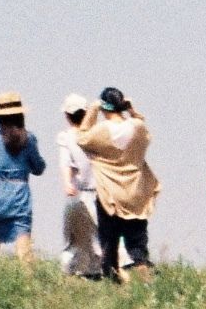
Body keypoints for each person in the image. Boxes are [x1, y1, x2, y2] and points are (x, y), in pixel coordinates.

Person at [75, 86, 160, 280]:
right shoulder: (137, 128)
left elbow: (82, 138)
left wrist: (92, 110)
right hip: (135, 193)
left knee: (109, 242)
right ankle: (143, 275)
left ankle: (113, 278)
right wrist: (132, 111)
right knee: (137, 243)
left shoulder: (102, 130)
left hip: (110, 194)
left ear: (104, 107)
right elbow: (145, 130)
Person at [0, 91, 46, 260]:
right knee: (24, 247)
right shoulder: (29, 139)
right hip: (20, 194)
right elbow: (38, 168)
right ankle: (27, 276)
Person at [56, 94, 103, 279]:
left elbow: (65, 163)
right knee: (100, 236)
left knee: (75, 238)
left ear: (67, 116)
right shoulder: (98, 134)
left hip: (79, 193)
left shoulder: (67, 137)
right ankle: (98, 270)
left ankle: (73, 272)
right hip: (102, 193)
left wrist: (67, 183)